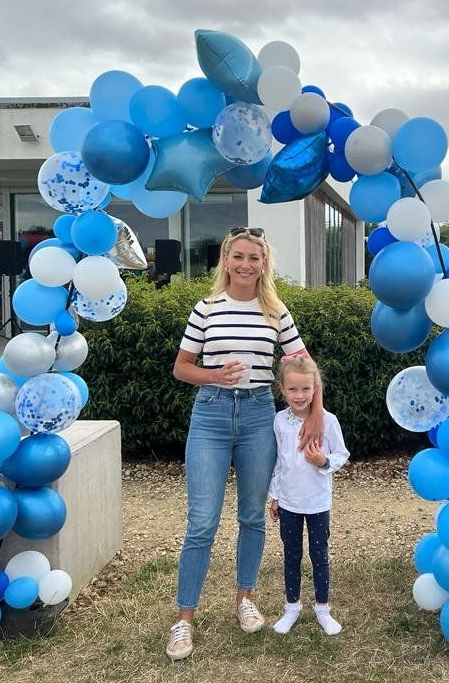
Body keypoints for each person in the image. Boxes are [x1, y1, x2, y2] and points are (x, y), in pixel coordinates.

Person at [166, 227, 325, 661]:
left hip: (258, 416)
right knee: (202, 521)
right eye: (238, 256)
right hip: (211, 415)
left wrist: (314, 412)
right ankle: (184, 620)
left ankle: (244, 599)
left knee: (253, 516)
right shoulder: (207, 308)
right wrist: (214, 375)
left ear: (264, 264)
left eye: (254, 258)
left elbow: (303, 364)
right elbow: (182, 368)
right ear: (226, 259)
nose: (245, 265)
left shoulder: (276, 311)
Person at [267, 356, 350, 636]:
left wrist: (323, 461)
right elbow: (279, 461)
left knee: (319, 555)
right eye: (293, 389)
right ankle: (292, 607)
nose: (299, 395)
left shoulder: (328, 421)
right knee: (291, 555)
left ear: (316, 388)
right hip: (289, 503)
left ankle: (323, 609)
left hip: (317, 503)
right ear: (282, 389)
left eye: (305, 389)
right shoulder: (279, 421)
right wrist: (275, 496)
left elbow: (342, 455)